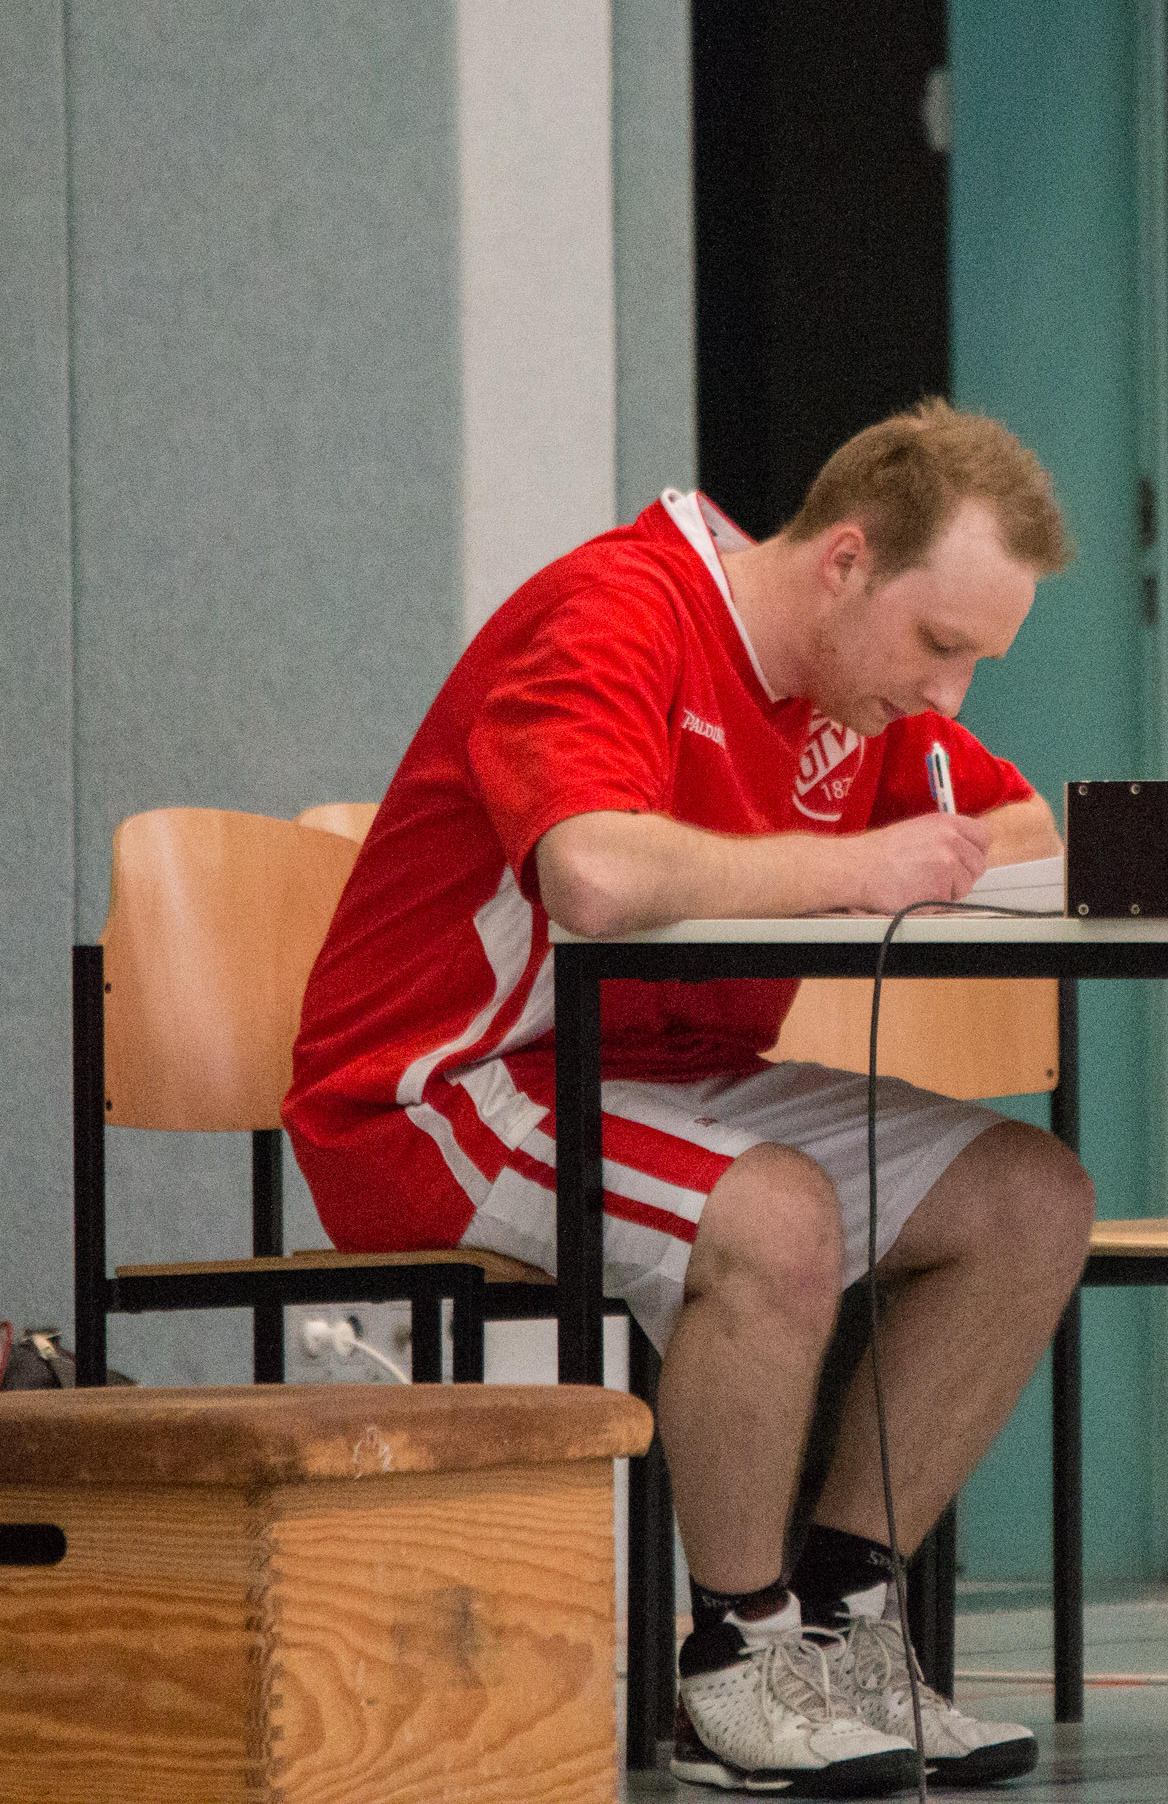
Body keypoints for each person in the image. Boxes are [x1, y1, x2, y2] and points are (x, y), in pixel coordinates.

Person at [286, 400, 1095, 1795]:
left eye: (979, 661)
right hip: (444, 1088)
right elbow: (594, 873)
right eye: (939, 644)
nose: (952, 696)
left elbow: (1019, 830)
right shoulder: (616, 610)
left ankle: (844, 1626)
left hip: (675, 1074)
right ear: (845, 561)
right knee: (776, 1217)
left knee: (1033, 1199)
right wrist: (853, 867)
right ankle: (736, 1662)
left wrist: (912, 843)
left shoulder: (861, 695)